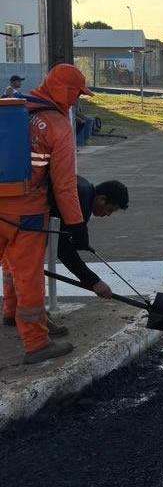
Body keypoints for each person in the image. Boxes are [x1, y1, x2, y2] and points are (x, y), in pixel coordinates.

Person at [0, 64, 92, 364]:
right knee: (29, 275)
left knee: (8, 265)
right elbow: (65, 184)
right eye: (77, 94)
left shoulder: (12, 110)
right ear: (65, 91)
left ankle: (11, 313)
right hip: (26, 213)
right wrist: (76, 224)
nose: (76, 100)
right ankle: (37, 343)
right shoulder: (56, 124)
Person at [3, 178, 126, 335]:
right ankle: (36, 327)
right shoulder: (80, 200)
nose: (108, 215)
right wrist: (93, 281)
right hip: (25, 220)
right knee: (30, 275)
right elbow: (63, 249)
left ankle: (12, 312)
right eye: (110, 209)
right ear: (102, 199)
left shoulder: (83, 188)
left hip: (12, 214)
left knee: (13, 264)